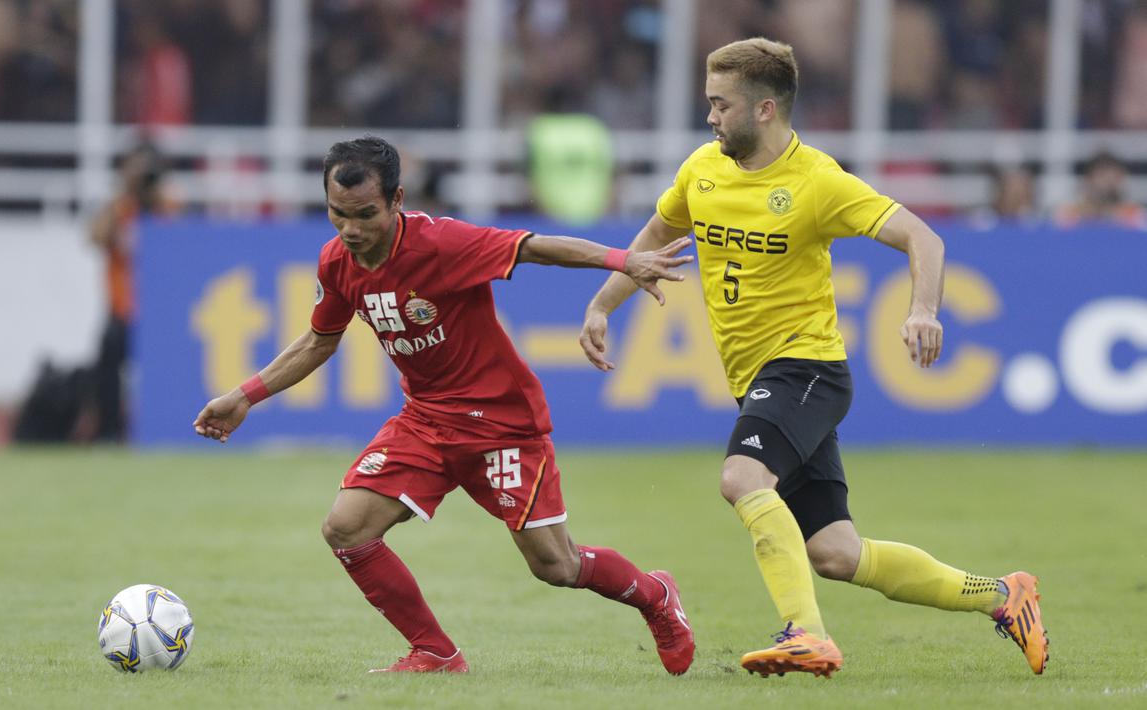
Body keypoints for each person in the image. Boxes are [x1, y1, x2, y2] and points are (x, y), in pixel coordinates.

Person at [579, 38, 1049, 678]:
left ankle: (806, 634)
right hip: (760, 380)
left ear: (765, 109)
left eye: (721, 105)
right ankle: (1003, 596)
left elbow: (923, 237)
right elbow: (655, 239)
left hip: (807, 369)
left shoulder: (817, 181)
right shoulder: (702, 171)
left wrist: (923, 310)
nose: (711, 117)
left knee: (742, 479)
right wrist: (605, 305)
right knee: (835, 552)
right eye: (708, 103)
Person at [193, 136, 696, 675]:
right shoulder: (337, 261)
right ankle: (435, 652)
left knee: (556, 565)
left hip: (501, 422)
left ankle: (655, 595)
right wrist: (244, 396)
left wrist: (624, 260)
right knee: (346, 528)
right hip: (426, 419)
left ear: (396, 200)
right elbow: (320, 340)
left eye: (365, 214)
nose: (351, 229)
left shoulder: (443, 243)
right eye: (338, 214)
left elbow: (534, 246)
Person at [89, 141, 174, 441]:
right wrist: (124, 194)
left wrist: (154, 198)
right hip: (124, 306)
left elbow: (185, 241)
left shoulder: (168, 206)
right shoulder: (120, 208)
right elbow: (95, 237)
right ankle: (110, 430)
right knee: (108, 364)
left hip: (159, 308)